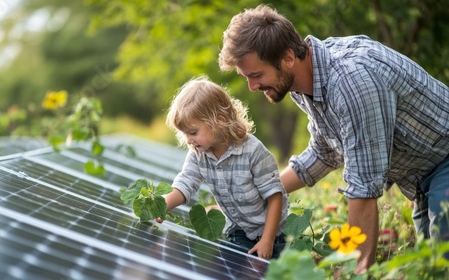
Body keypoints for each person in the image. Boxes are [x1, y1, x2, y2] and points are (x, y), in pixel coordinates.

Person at [218, 4, 449, 273]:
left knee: (440, 266)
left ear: (288, 58)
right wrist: (249, 198)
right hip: (423, 177)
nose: (253, 87)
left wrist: (353, 270)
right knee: (428, 268)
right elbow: (324, 152)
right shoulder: (302, 83)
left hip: (443, 161)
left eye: (257, 75)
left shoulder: (352, 82)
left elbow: (364, 186)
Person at [157, 75, 289, 260]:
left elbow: (275, 196)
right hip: (238, 230)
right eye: (185, 134)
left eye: (193, 132)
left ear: (218, 120)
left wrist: (267, 240)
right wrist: (162, 205)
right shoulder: (198, 154)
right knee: (229, 266)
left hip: (270, 231)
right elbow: (186, 183)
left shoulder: (253, 151)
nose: (188, 140)